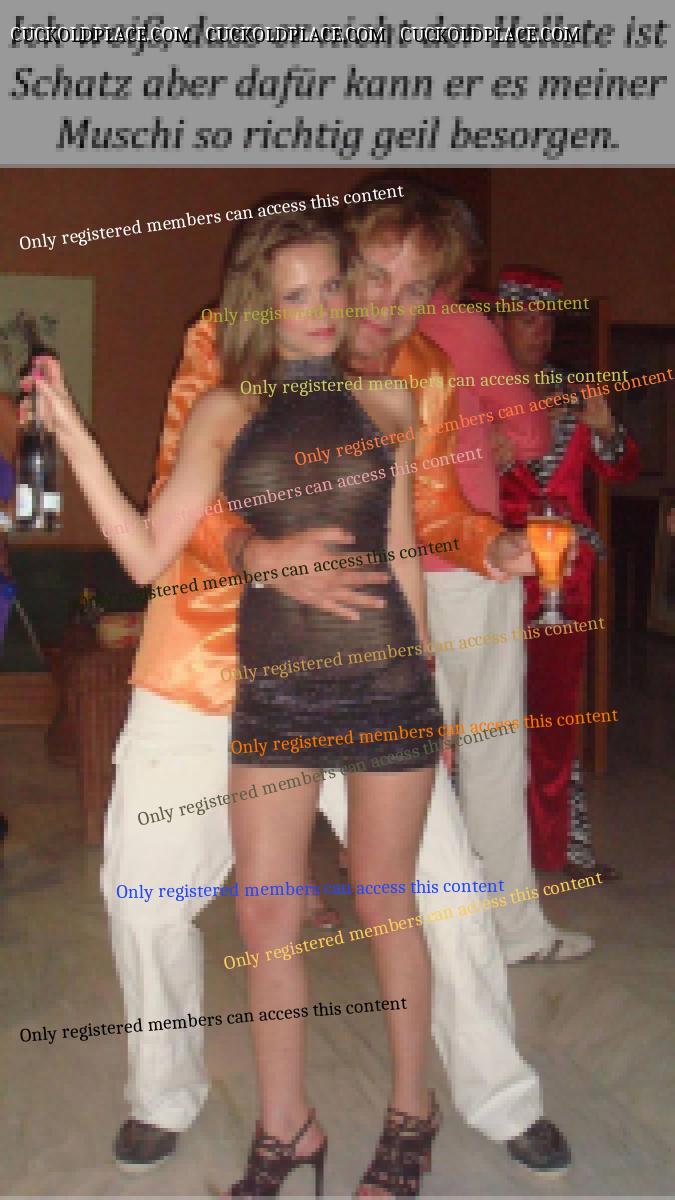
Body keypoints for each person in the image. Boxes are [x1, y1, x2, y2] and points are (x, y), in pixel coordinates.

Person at [37, 196, 570, 1183]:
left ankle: (490, 1098)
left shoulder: (420, 379)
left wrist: (490, 549)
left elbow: (425, 522)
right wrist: (259, 552)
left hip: (374, 673)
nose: (383, 305)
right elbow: (181, 507)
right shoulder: (224, 348)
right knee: (149, 898)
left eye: (415, 288)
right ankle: (167, 1098)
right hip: (211, 668)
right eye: (372, 277)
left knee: (445, 898)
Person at [494, 265, 640, 875]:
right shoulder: (475, 395)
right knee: (488, 716)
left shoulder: (575, 393)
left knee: (555, 716)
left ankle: (559, 848)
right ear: (501, 323)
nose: (541, 331)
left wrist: (607, 430)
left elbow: (621, 468)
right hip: (496, 571)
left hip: (567, 577)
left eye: (549, 321)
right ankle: (483, 851)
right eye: (528, 319)